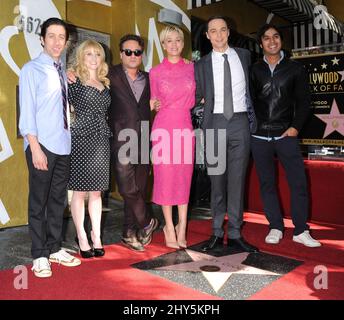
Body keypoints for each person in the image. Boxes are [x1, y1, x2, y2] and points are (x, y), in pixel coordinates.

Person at [19, 18, 81, 278]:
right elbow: (27, 112)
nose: (57, 42)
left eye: (62, 37)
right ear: (42, 39)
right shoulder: (31, 69)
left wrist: (67, 76)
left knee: (57, 201)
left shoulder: (61, 71)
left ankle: (55, 247)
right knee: (39, 202)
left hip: (63, 145)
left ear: (66, 42)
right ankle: (39, 254)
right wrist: (34, 147)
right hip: (41, 145)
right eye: (52, 36)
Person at [250, 24, 321, 247]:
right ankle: (275, 227)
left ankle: (301, 230)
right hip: (259, 137)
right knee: (267, 184)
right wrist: (251, 127)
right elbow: (249, 101)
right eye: (267, 38)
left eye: (276, 37)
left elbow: (304, 103)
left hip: (286, 135)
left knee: (298, 183)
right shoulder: (253, 70)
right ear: (261, 43)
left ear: (281, 41)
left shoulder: (295, 69)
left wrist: (295, 128)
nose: (272, 41)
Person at [194, 16, 258, 253]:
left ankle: (235, 234)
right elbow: (195, 95)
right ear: (207, 35)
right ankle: (216, 232)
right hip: (215, 123)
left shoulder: (244, 56)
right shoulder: (201, 65)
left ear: (228, 32)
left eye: (222, 30)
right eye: (213, 31)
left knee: (237, 181)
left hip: (240, 122)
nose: (218, 35)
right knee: (217, 181)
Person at [109, 34, 159, 252]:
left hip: (144, 137)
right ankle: (147, 222)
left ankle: (129, 233)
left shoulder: (149, 79)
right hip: (121, 138)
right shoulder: (110, 73)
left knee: (137, 187)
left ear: (142, 55)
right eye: (127, 52)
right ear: (121, 54)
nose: (132, 55)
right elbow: (86, 72)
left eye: (136, 52)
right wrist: (71, 72)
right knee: (126, 187)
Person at [150, 25, 196, 249]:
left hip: (185, 126)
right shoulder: (155, 72)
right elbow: (152, 100)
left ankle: (182, 226)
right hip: (163, 127)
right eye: (169, 40)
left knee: (184, 176)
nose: (174, 44)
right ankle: (169, 225)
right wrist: (152, 103)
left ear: (183, 43)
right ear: (163, 44)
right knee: (165, 177)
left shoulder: (192, 68)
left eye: (178, 40)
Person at [67, 40, 112, 258]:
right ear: (81, 58)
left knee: (97, 192)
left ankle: (97, 236)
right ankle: (82, 236)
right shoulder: (74, 81)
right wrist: (67, 72)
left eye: (97, 54)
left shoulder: (105, 83)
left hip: (102, 140)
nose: (94, 59)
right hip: (81, 138)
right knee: (80, 191)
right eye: (89, 54)